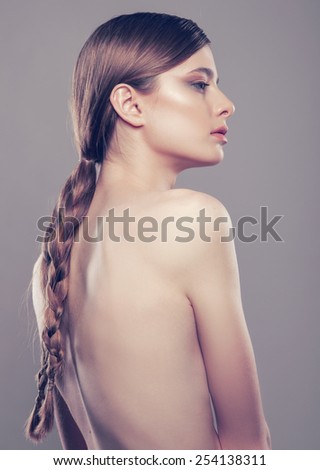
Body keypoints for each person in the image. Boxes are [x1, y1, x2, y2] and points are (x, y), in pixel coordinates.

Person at [25, 11, 271, 450]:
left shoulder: (50, 265)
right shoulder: (193, 218)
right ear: (130, 104)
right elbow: (248, 445)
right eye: (200, 83)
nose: (225, 103)